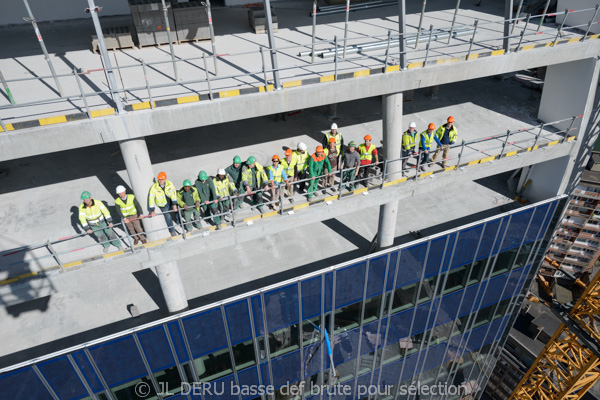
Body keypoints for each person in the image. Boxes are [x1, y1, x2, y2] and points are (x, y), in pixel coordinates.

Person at [148, 171, 179, 237]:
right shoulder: (154, 187)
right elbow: (151, 198)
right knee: (168, 217)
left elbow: (173, 194)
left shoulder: (169, 183)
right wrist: (152, 210)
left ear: (165, 179)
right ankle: (172, 231)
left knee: (177, 210)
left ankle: (179, 222)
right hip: (163, 205)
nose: (160, 181)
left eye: (161, 179)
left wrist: (174, 204)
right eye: (159, 179)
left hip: (170, 201)